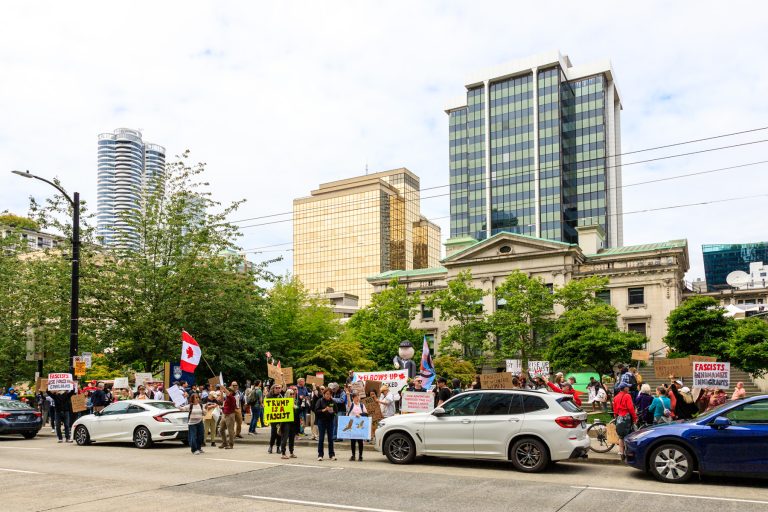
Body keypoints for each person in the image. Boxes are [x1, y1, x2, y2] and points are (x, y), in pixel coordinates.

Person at [612, 384, 637, 459]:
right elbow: (630, 408)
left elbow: (615, 409)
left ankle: (621, 452)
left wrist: (616, 416)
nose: (629, 388)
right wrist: (635, 418)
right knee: (629, 435)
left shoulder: (616, 397)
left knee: (621, 436)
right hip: (627, 417)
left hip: (619, 417)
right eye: (627, 387)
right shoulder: (627, 396)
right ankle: (629, 453)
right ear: (624, 388)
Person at [315, 388, 337, 461]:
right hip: (321, 421)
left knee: (330, 439)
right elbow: (316, 411)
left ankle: (332, 455)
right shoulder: (320, 401)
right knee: (321, 438)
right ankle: (320, 455)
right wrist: (324, 410)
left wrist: (332, 411)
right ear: (324, 394)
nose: (328, 395)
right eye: (327, 394)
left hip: (330, 421)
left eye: (330, 394)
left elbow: (336, 411)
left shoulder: (333, 401)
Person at [346, 392, 367, 461]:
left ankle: (360, 456)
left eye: (358, 396)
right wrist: (348, 395)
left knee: (360, 441)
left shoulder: (362, 405)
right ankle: (353, 455)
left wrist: (360, 414)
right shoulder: (351, 405)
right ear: (353, 398)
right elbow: (349, 402)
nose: (357, 398)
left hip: (360, 425)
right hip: (352, 425)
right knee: (353, 441)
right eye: (356, 397)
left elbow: (366, 414)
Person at [279, 388, 300, 459]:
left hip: (293, 422)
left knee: (292, 438)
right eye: (291, 394)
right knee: (284, 438)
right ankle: (283, 453)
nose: (293, 395)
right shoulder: (284, 402)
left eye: (293, 394)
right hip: (286, 422)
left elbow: (297, 413)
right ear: (287, 394)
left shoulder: (295, 402)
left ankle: (291, 452)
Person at [267, 383, 284, 454]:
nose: (278, 389)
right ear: (273, 388)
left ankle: (278, 447)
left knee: (279, 432)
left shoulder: (281, 396)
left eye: (279, 388)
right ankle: (271, 446)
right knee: (273, 432)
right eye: (276, 388)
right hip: (273, 417)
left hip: (280, 417)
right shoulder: (269, 396)